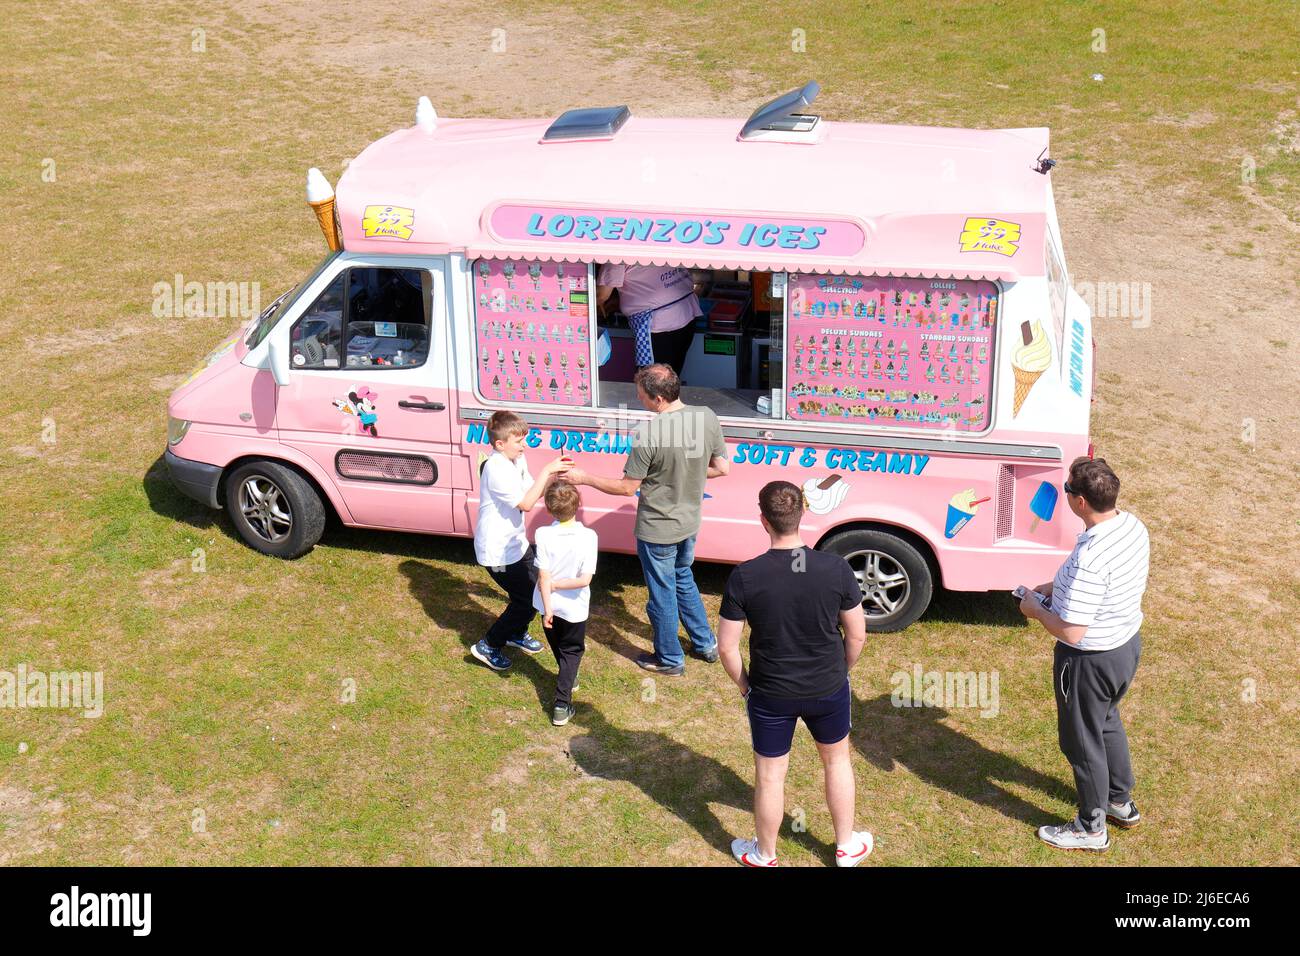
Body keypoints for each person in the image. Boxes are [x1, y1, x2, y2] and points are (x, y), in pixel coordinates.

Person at [717, 480, 871, 867]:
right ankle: (846, 847)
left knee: (770, 777)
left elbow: (726, 647)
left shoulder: (745, 576)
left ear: (763, 520)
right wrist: (841, 671)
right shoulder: (834, 568)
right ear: (803, 513)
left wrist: (745, 688)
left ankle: (765, 854)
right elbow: (857, 633)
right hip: (828, 687)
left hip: (770, 693)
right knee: (837, 762)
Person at [1018, 456, 1150, 851]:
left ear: (1080, 503)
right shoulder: (1132, 526)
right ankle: (1118, 801)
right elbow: (1096, 590)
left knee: (1081, 741)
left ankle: (1091, 828)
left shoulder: (1091, 559)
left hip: (1088, 662)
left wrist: (1034, 609)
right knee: (1107, 721)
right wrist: (1053, 589)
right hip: (1125, 647)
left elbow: (1073, 630)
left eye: (1067, 490)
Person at [565, 364, 728, 675]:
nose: (639, 401)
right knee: (683, 577)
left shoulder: (649, 434)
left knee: (662, 595)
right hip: (690, 522)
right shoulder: (706, 416)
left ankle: (669, 659)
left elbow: (627, 487)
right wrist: (685, 472)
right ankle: (706, 644)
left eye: (641, 397)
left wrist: (583, 477)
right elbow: (722, 468)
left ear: (658, 399)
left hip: (658, 529)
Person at [471, 410, 571, 672]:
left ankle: (516, 633)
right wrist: (548, 470)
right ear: (499, 444)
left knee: (536, 589)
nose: (524, 445)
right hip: (497, 551)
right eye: (519, 441)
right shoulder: (495, 468)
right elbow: (526, 503)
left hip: (516, 542)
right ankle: (489, 645)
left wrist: (554, 476)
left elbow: (530, 488)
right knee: (526, 599)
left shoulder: (517, 460)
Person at [532, 478, 598, 726]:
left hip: (547, 604)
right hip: (574, 608)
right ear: (578, 505)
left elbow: (544, 575)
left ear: (549, 509)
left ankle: (568, 677)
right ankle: (561, 704)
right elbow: (585, 580)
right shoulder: (589, 536)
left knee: (560, 646)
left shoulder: (543, 534)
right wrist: (560, 586)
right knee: (572, 650)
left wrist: (548, 607)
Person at [596, 263, 703, 377]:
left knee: (652, 381)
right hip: (687, 310)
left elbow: (601, 295)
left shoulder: (617, 254)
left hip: (658, 322)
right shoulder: (651, 244)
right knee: (672, 377)